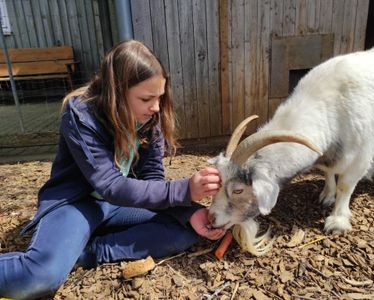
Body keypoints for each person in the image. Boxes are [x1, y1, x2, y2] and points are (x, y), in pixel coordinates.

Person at [0, 40, 224, 299]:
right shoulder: (81, 115)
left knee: (187, 228)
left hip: (118, 206)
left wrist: (188, 210)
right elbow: (110, 186)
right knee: (40, 277)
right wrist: (185, 189)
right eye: (146, 98)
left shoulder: (149, 118)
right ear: (116, 92)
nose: (155, 107)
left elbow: (152, 179)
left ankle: (88, 252)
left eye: (160, 97)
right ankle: (61, 254)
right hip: (76, 205)